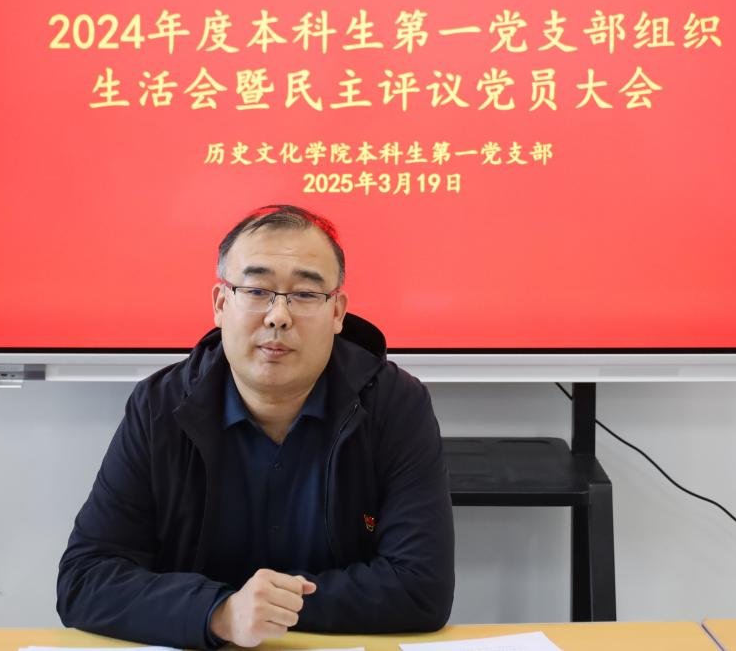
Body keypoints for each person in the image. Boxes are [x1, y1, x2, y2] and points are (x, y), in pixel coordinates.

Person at [57, 204, 455, 648]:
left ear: (337, 313)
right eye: (256, 290)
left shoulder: (395, 404)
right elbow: (85, 580)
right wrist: (221, 612)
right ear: (220, 303)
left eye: (306, 294)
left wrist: (266, 609)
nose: (278, 316)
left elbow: (422, 587)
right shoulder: (160, 406)